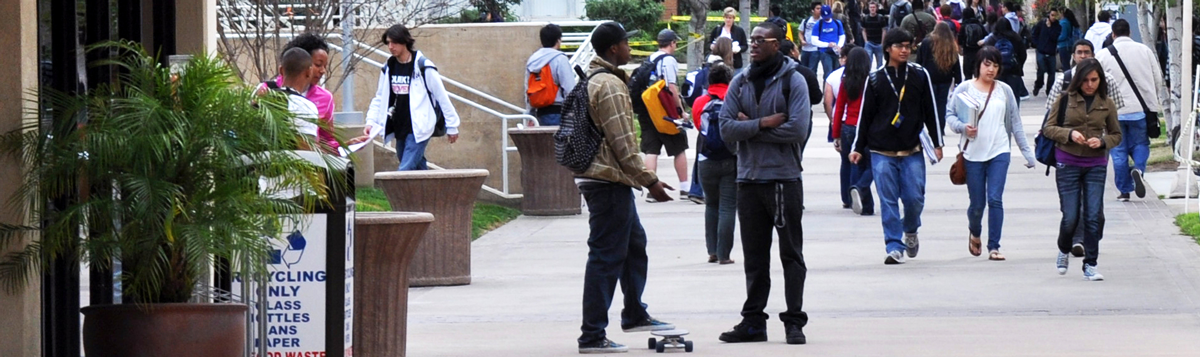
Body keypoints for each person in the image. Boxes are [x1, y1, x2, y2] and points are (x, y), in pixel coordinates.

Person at [573, 21, 677, 354]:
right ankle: (592, 335)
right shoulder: (609, 85)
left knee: (634, 245)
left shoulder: (594, 78)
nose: (630, 49)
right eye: (626, 44)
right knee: (605, 257)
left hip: (604, 177)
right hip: (607, 180)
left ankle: (634, 313)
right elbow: (622, 141)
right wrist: (649, 181)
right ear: (614, 48)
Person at [717, 22, 811, 346]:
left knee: (791, 256)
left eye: (760, 40)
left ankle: (794, 321)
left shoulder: (793, 81)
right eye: (752, 40)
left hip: (783, 180)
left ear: (777, 43)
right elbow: (726, 127)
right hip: (748, 180)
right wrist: (765, 123)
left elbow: (797, 129)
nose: (753, 45)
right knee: (755, 258)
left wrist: (750, 126)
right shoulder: (740, 81)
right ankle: (753, 322)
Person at [849, 28, 944, 265]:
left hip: (912, 149)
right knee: (888, 200)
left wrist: (938, 142)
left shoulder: (920, 75)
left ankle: (910, 229)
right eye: (899, 46)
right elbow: (865, 116)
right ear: (887, 49)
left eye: (908, 46)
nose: (904, 50)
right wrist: (857, 147)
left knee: (914, 198)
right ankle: (894, 245)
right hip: (882, 151)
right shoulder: (875, 78)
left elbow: (931, 111)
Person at [945, 46, 1036, 260]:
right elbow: (949, 115)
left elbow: (1015, 122)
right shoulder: (964, 89)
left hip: (999, 151)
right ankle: (974, 232)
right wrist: (962, 128)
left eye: (995, 65)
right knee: (977, 205)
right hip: (973, 155)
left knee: (995, 199)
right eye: (987, 64)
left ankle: (994, 246)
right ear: (978, 65)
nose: (991, 69)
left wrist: (1027, 152)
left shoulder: (1004, 90)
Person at [1042, 58, 1122, 281]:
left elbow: (1117, 134)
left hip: (1095, 164)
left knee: (1094, 215)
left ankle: (1091, 264)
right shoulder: (1065, 99)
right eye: (1085, 80)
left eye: (1094, 80)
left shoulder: (1107, 103)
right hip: (1067, 161)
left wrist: (1103, 142)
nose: (1090, 84)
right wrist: (1069, 134)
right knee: (1070, 216)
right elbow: (1048, 128)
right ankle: (1063, 248)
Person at [358, 24, 461, 170]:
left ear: (405, 41)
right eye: (388, 43)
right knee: (415, 166)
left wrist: (452, 126)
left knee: (405, 169)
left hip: (420, 125)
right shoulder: (389, 67)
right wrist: (370, 121)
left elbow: (441, 96)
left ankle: (395, 192)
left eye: (394, 42)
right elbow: (380, 97)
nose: (390, 46)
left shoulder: (423, 66)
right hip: (399, 124)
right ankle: (428, 192)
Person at [1095, 19, 1165, 201]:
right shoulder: (1145, 51)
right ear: (1130, 33)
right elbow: (1158, 78)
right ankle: (1138, 169)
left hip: (1114, 112)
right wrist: (1152, 100)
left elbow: (1095, 83)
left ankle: (1124, 191)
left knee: (1118, 150)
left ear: (1113, 34)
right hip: (1141, 109)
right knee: (1141, 144)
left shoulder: (1102, 55)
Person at [639, 29, 692, 200]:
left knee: (651, 150)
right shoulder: (668, 60)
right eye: (675, 42)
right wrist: (681, 111)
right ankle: (684, 188)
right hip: (665, 111)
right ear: (671, 43)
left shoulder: (650, 59)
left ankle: (651, 190)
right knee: (679, 147)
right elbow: (671, 87)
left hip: (648, 109)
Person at [694, 63, 737, 264]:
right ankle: (724, 254)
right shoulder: (733, 100)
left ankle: (711, 250)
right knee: (728, 206)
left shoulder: (700, 102)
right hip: (731, 157)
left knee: (711, 204)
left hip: (706, 159)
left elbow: (697, 126)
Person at [832, 47, 876, 215]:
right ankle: (860, 187)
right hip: (867, 128)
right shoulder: (872, 81)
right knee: (873, 164)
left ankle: (863, 204)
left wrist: (836, 134)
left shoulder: (846, 82)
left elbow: (839, 108)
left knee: (854, 164)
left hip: (848, 126)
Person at [276, 34, 337, 154]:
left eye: (325, 66)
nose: (322, 71)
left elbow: (328, 139)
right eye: (318, 65)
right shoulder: (265, 90)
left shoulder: (325, 98)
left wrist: (344, 147)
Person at [261, 47, 321, 149]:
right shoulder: (305, 106)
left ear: (281, 70)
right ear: (309, 72)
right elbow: (306, 151)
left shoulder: (260, 98)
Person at [524, 24, 577, 126]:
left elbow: (527, 89)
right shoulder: (560, 59)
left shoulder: (532, 60)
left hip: (539, 113)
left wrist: (529, 114)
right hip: (558, 112)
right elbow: (570, 89)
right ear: (558, 40)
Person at [917, 22, 962, 129]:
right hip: (945, 78)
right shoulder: (951, 44)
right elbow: (956, 64)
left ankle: (931, 127)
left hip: (929, 77)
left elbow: (919, 60)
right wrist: (958, 80)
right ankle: (940, 128)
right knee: (941, 105)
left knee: (929, 104)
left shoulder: (927, 42)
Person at [985, 19, 1029, 102]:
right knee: (1014, 97)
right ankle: (1014, 114)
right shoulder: (1016, 38)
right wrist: (1019, 65)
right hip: (1014, 71)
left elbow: (987, 55)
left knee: (998, 97)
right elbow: (1023, 54)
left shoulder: (992, 39)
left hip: (997, 72)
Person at [811, 4, 847, 78]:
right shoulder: (818, 24)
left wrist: (839, 46)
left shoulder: (837, 23)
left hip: (836, 51)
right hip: (825, 51)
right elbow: (814, 40)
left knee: (837, 72)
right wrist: (827, 44)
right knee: (828, 72)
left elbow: (842, 36)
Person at [1031, 10, 1062, 96]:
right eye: (1052, 15)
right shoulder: (1041, 23)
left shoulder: (1058, 27)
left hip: (1051, 52)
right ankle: (1038, 85)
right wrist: (1036, 44)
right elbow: (1034, 33)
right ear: (1049, 14)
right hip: (1041, 51)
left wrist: (1049, 28)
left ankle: (1049, 90)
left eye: (1055, 16)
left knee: (1052, 73)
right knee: (1041, 69)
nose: (1053, 17)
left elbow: (1054, 38)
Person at [959, 8, 986, 80]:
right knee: (978, 75)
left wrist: (960, 49)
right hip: (979, 52)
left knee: (968, 76)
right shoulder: (979, 25)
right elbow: (985, 37)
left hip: (967, 52)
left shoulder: (964, 26)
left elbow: (960, 40)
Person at [799, 2, 825, 71]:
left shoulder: (823, 21)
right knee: (803, 69)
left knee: (812, 70)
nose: (819, 10)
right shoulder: (806, 21)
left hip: (815, 49)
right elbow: (800, 32)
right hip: (805, 48)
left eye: (820, 9)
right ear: (812, 10)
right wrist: (802, 40)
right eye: (817, 8)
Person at [861, 1, 889, 68]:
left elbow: (884, 30)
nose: (872, 9)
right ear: (868, 8)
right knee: (868, 61)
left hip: (879, 43)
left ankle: (879, 77)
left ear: (876, 8)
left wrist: (882, 42)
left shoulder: (881, 18)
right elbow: (863, 30)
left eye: (873, 7)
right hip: (869, 43)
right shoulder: (865, 18)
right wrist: (866, 41)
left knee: (880, 63)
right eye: (871, 7)